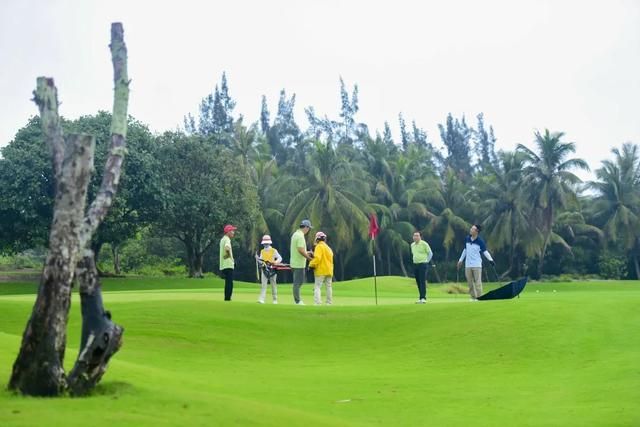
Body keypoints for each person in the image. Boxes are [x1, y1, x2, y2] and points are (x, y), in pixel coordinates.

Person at [457, 224, 495, 301]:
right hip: (468, 264)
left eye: (473, 229)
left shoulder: (480, 241)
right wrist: (460, 260)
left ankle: (479, 297)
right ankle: (473, 297)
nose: (471, 230)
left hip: (477, 264)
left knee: (478, 282)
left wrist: (491, 260)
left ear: (477, 231)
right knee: (470, 282)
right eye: (471, 228)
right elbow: (465, 250)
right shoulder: (467, 238)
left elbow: (485, 252)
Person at [290, 219, 313, 305]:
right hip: (299, 264)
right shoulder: (300, 236)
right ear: (306, 227)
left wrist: (308, 252)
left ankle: (297, 299)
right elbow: (300, 250)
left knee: (299, 282)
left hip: (294, 262)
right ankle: (297, 300)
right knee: (298, 283)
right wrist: (309, 258)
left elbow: (299, 249)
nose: (308, 230)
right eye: (309, 228)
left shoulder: (295, 234)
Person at [308, 231, 334, 305]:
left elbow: (317, 258)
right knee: (329, 287)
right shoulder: (328, 248)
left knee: (317, 287)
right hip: (329, 270)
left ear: (317, 239)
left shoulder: (319, 246)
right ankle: (329, 303)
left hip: (321, 270)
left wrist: (311, 265)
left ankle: (317, 303)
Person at [255, 234, 282, 304]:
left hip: (272, 269)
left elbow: (280, 258)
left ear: (269, 243)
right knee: (263, 285)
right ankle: (262, 299)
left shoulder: (273, 250)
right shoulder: (262, 251)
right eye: (264, 243)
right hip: (264, 269)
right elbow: (261, 261)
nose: (265, 244)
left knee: (273, 284)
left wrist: (275, 262)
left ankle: (275, 299)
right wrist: (258, 259)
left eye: (267, 243)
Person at [410, 231, 433, 304]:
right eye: (414, 236)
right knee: (418, 281)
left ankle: (423, 298)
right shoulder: (412, 245)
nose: (415, 237)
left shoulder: (424, 244)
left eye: (417, 236)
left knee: (422, 281)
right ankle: (420, 297)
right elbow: (414, 254)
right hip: (415, 264)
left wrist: (427, 261)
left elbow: (430, 253)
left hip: (423, 264)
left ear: (420, 237)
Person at [219, 224, 237, 301]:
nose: (233, 232)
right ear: (228, 232)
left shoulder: (222, 239)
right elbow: (227, 248)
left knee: (227, 282)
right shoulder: (227, 240)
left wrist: (226, 257)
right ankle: (228, 298)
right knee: (229, 282)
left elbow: (224, 253)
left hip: (224, 264)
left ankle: (227, 297)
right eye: (232, 231)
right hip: (228, 264)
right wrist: (231, 259)